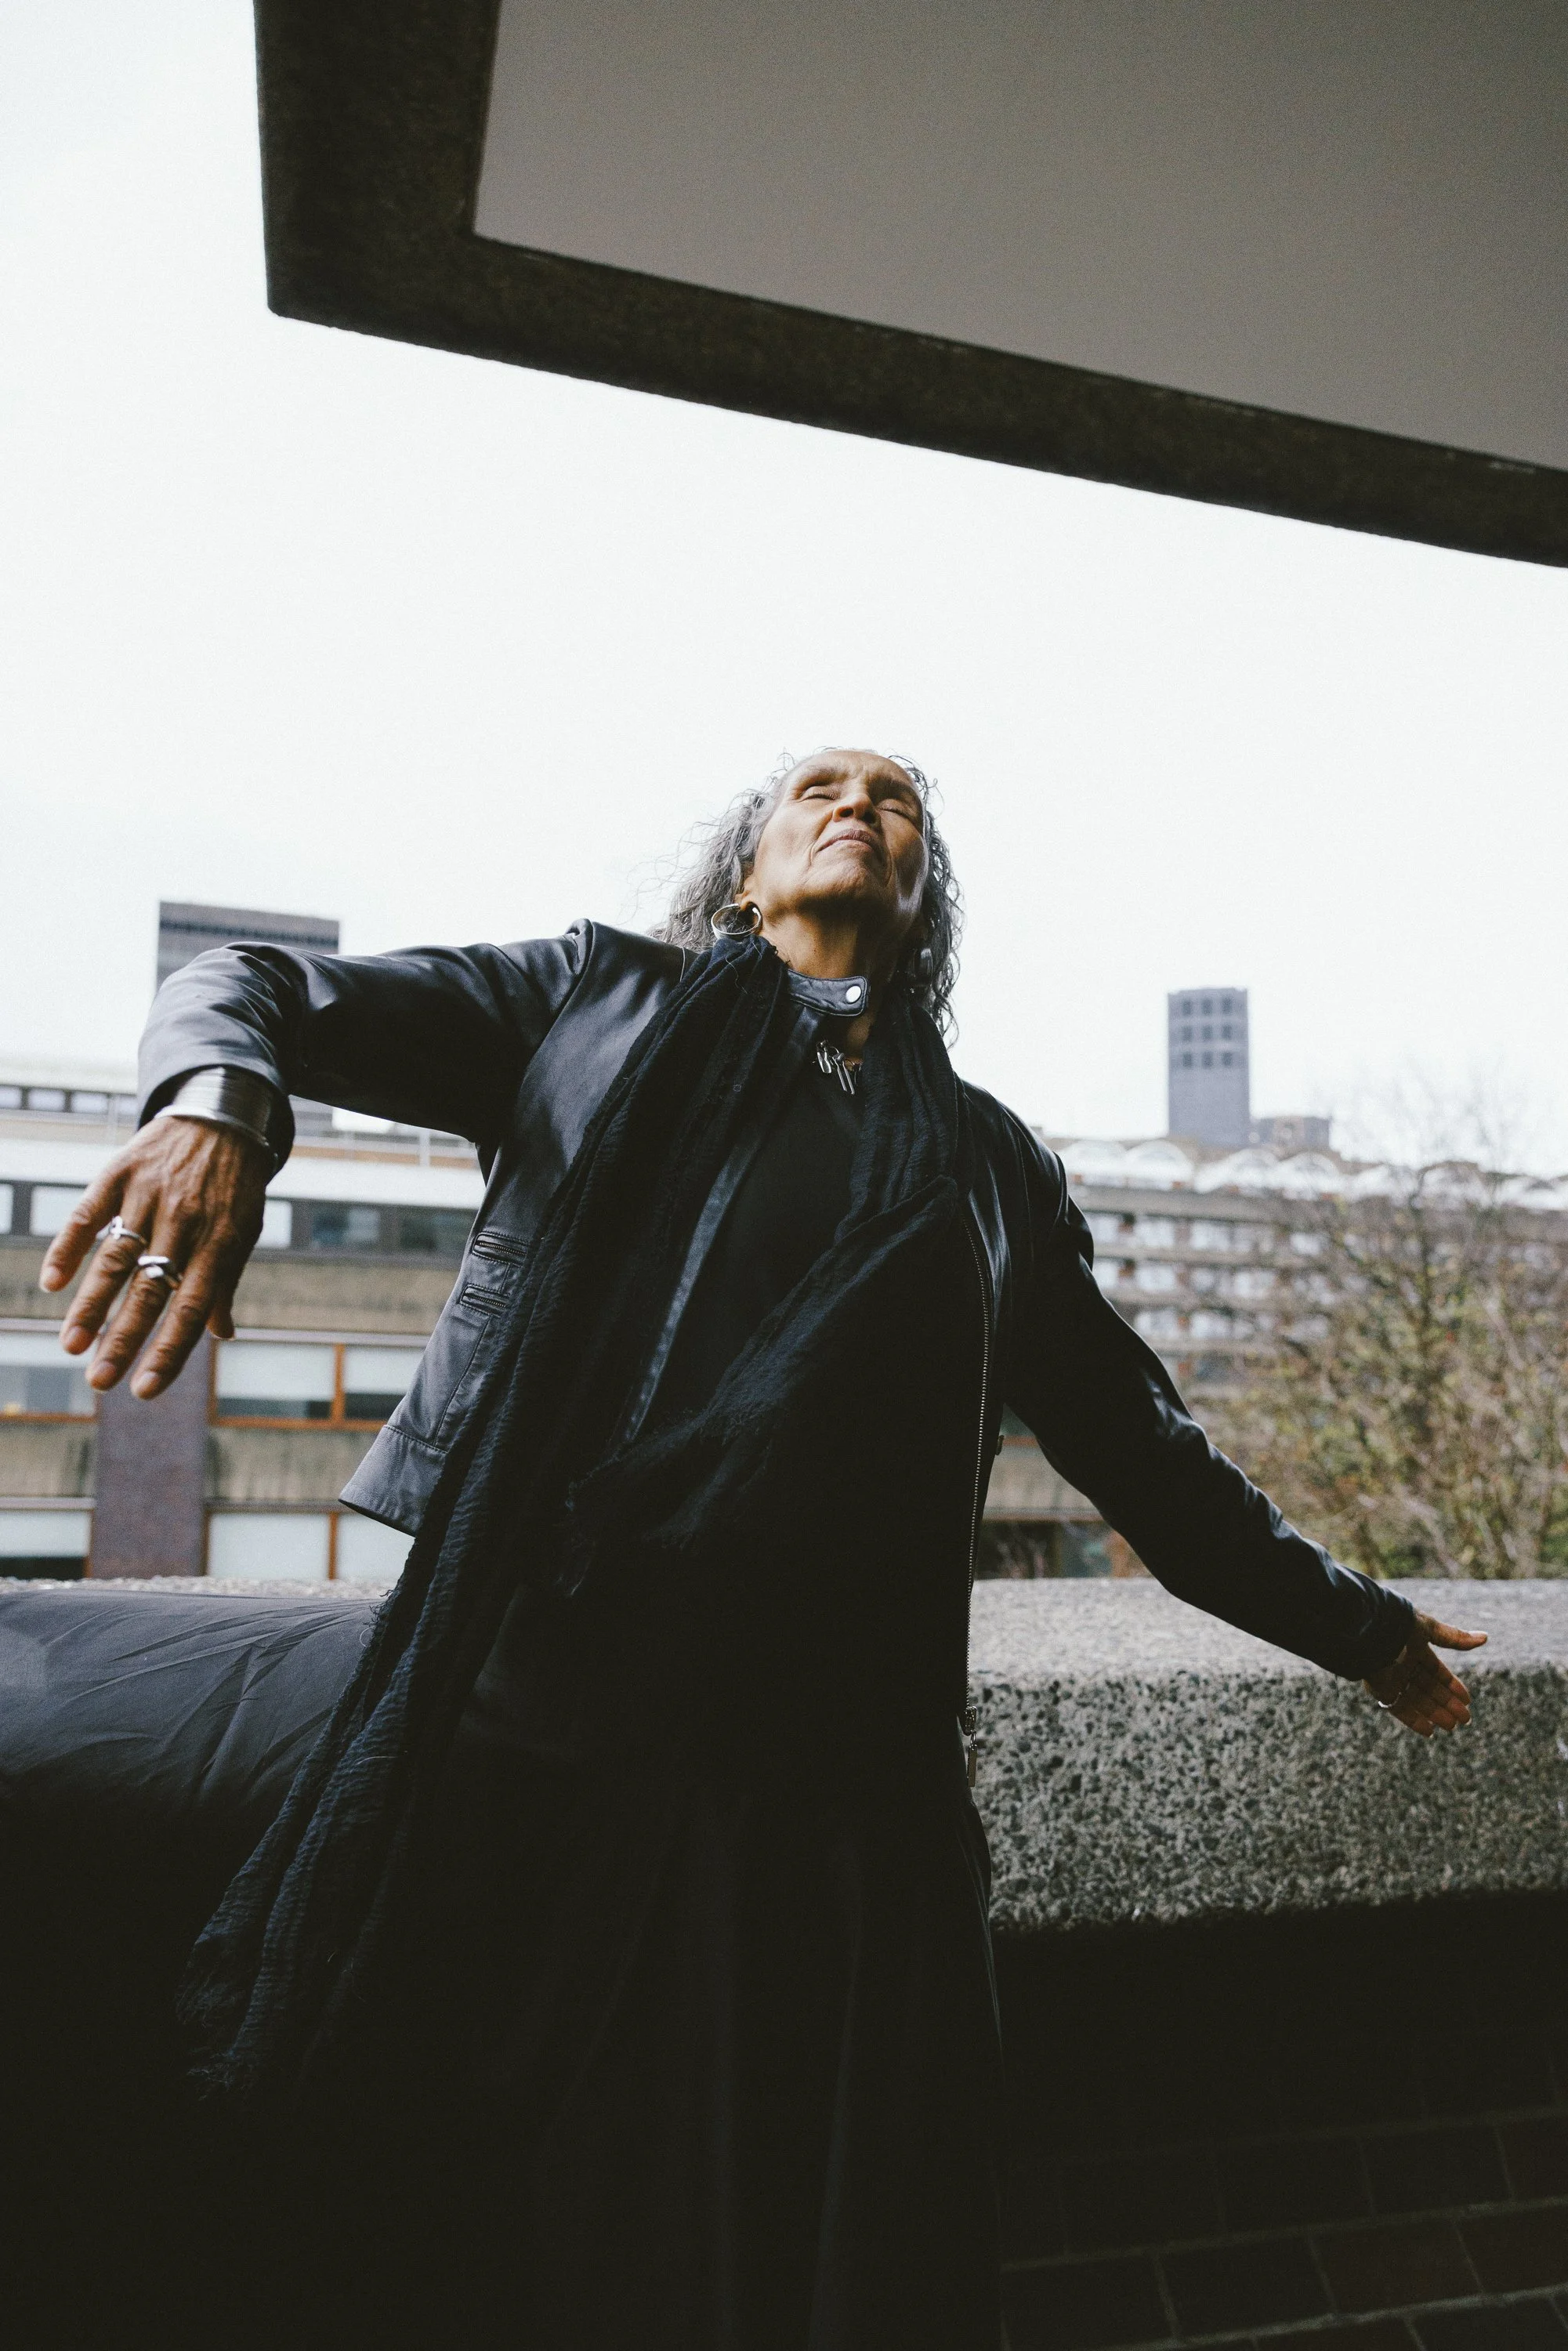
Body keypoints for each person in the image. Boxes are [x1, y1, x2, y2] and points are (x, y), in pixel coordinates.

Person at [42, 748, 1483, 2350]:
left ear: (919, 892)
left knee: (795, 2256)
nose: (860, 802)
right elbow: (250, 983)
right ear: (745, 873)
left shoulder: (990, 1169)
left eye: (899, 802)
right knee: (506, 2219)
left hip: (838, 1811)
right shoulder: (588, 1009)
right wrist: (222, 1107)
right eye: (819, 784)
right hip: (554, 1741)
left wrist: (1361, 1628)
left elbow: (1145, 1453)